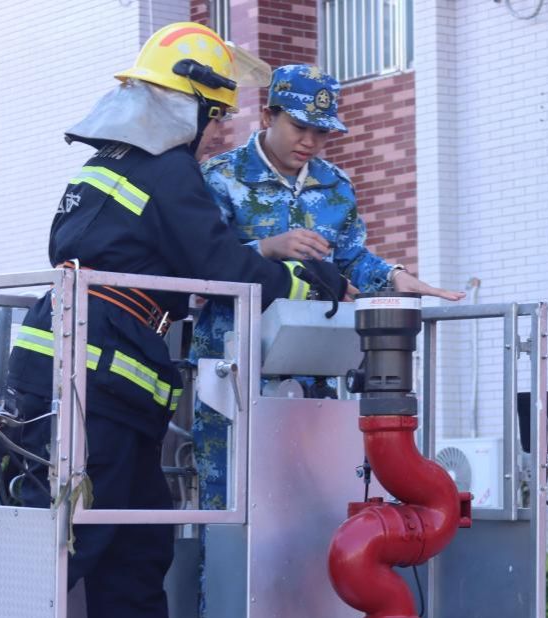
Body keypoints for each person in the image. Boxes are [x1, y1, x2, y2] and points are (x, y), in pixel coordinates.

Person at [4, 24, 346, 618]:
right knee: (84, 537)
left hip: (89, 372)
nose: (221, 131)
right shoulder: (168, 172)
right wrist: (306, 284)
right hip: (96, 378)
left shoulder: (107, 165)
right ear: (183, 106)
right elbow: (218, 264)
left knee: (137, 536)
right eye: (215, 115)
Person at [192, 64, 467, 510]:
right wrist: (267, 248)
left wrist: (395, 277)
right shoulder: (220, 175)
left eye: (321, 132)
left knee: (310, 497)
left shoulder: (335, 185)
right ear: (268, 116)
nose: (310, 142)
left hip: (311, 364)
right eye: (299, 127)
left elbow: (351, 258)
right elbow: (202, 261)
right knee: (230, 493)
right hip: (235, 366)